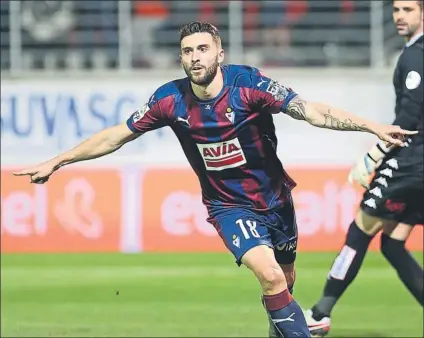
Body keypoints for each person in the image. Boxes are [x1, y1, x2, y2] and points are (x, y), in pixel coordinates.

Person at [13, 21, 417, 338]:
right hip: (228, 206)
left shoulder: (250, 86)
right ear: (181, 58)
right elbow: (117, 134)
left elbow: (308, 110)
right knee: (271, 275)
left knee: (284, 280)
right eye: (187, 51)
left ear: (219, 53)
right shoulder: (169, 100)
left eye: (202, 49)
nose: (195, 57)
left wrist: (369, 125)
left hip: (276, 200)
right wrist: (61, 159)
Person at [303, 1, 423, 336]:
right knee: (393, 242)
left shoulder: (414, 57)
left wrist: (375, 153)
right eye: (396, 9)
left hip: (409, 164)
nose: (399, 15)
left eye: (408, 9)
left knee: (360, 231)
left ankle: (320, 312)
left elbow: (409, 117)